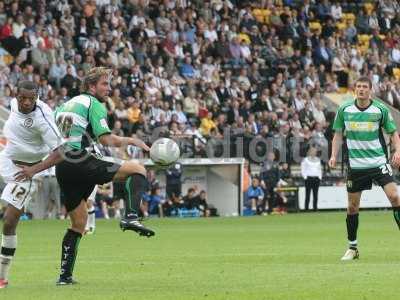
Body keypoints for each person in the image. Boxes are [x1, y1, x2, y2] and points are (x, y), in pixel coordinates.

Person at [15, 67, 154, 285]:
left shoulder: (64, 106)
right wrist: (133, 141)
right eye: (104, 84)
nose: (109, 89)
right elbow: (107, 140)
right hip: (81, 160)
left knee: (78, 223)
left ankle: (64, 276)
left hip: (63, 167)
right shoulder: (93, 104)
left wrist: (35, 168)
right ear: (91, 86)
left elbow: (58, 143)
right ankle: (130, 216)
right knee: (138, 170)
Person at [329, 76, 400, 261]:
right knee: (352, 207)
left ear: (370, 90)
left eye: (364, 87)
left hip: (378, 162)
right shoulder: (344, 109)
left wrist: (398, 152)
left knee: (394, 196)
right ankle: (352, 248)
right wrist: (333, 155)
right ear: (355, 89)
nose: (361, 89)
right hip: (356, 165)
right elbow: (337, 135)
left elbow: (393, 133)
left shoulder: (380, 109)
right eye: (358, 86)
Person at [0, 81, 63, 289]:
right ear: (16, 95)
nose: (26, 102)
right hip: (6, 159)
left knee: (9, 221)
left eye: (31, 98)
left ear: (37, 96)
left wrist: (33, 170)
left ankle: (2, 275)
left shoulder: (43, 118)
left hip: (26, 172)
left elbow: (61, 152)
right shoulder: (13, 104)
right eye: (22, 98)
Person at [301, 147, 322, 211]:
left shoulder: (318, 160)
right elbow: (303, 169)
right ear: (309, 152)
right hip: (308, 178)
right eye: (312, 151)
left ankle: (315, 208)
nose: (314, 153)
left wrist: (319, 177)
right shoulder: (305, 160)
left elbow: (319, 169)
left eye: (315, 152)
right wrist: (305, 177)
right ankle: (306, 208)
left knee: (315, 194)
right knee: (308, 194)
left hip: (316, 178)